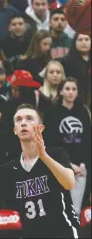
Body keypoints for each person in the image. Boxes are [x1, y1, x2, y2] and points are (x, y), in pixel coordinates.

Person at [0, 103, 80, 238]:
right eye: (19, 120)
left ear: (41, 128)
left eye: (29, 119)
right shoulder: (9, 169)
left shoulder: (57, 154)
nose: (23, 123)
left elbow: (69, 183)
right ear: (15, 130)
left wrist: (44, 157)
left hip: (62, 232)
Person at [45, 77, 91, 217]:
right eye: (67, 89)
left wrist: (82, 164)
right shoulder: (53, 112)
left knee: (76, 210)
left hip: (81, 168)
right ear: (61, 91)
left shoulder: (83, 112)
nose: (71, 92)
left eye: (74, 89)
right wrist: (69, 165)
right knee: (61, 209)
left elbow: (87, 141)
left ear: (77, 92)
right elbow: (51, 143)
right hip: (61, 166)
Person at [58, 33, 91, 106]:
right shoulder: (66, 61)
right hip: (73, 100)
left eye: (87, 39)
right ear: (74, 42)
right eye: (80, 40)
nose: (84, 42)